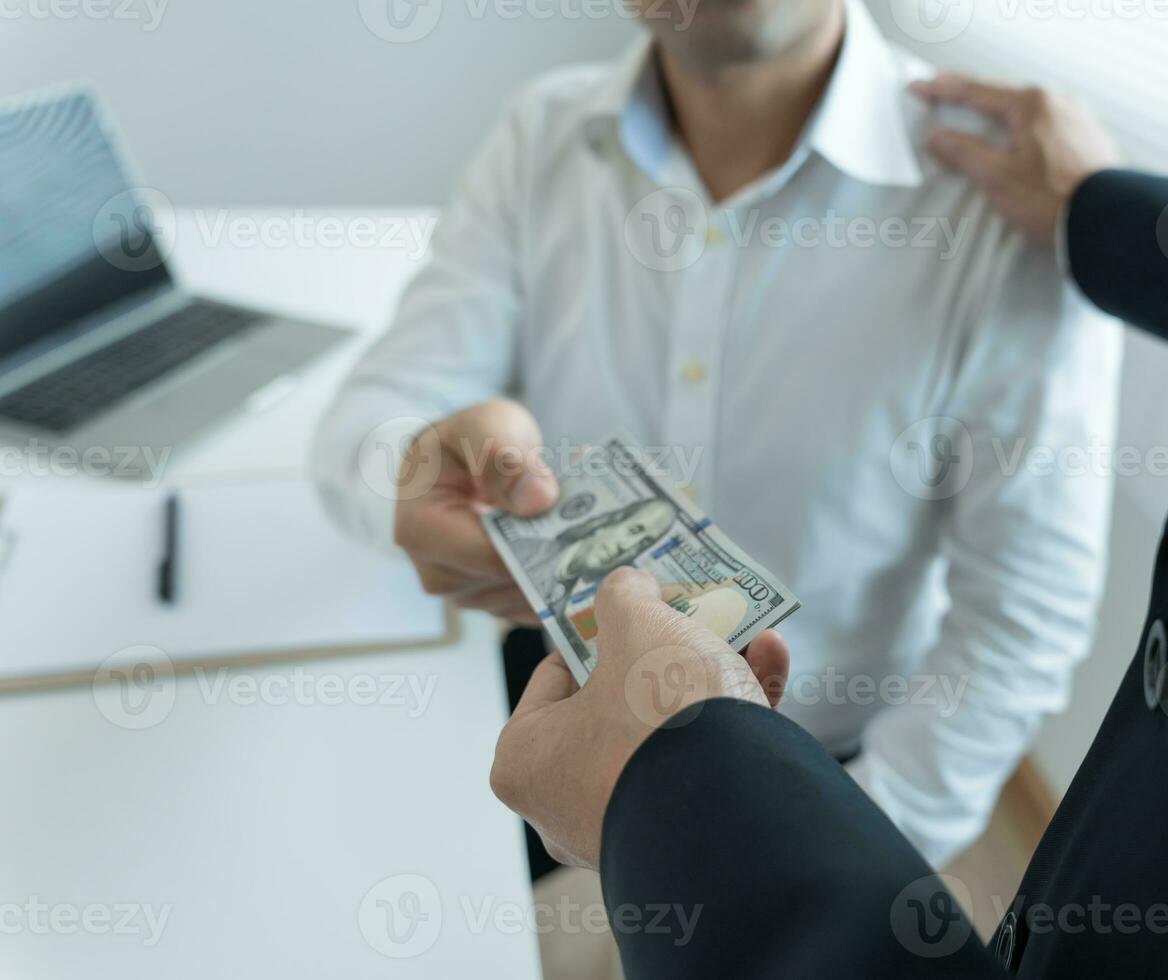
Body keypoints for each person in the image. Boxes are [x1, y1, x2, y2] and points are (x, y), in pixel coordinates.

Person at [490, 74, 1168, 977]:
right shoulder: (540, 126)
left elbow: (1019, 615)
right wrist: (1117, 217)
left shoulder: (980, 218)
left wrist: (731, 818)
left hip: (804, 784)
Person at [312, 0, 1122, 880]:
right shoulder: (541, 132)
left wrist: (841, 868)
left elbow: (1023, 608)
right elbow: (368, 420)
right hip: (545, 722)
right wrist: (414, 475)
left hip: (826, 779)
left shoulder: (1013, 200)